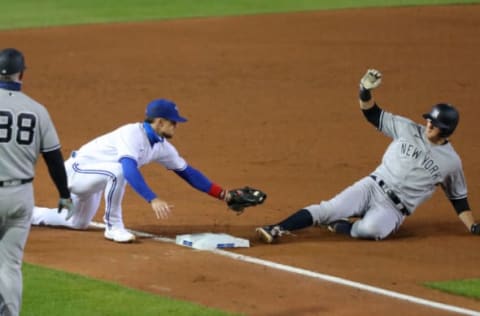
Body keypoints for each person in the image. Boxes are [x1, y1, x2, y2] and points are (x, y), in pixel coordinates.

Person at [256, 68, 478, 243]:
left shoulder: (451, 162)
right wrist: (364, 90)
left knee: (371, 231)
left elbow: (458, 199)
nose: (428, 124)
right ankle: (277, 227)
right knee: (328, 209)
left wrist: (473, 226)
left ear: (446, 130)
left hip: (394, 209)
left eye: (435, 123)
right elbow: (373, 114)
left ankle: (343, 226)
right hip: (372, 186)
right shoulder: (407, 128)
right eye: (429, 119)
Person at [32, 98, 255, 243]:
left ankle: (27, 214)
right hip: (76, 172)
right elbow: (128, 169)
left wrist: (223, 194)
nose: (176, 126)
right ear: (159, 122)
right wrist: (152, 198)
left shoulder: (161, 146)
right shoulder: (131, 134)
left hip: (97, 178)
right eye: (173, 122)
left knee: (77, 223)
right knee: (119, 170)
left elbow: (188, 172)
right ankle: (113, 226)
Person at [0, 48, 73, 316]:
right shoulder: (37, 110)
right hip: (20, 197)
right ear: (22, 74)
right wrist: (64, 194)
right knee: (9, 265)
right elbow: (54, 158)